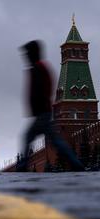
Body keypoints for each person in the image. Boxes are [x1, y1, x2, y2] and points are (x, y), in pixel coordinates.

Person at [18, 40, 84, 171]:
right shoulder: (39, 67)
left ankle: (22, 167)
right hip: (43, 111)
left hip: (42, 112)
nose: (25, 56)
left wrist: (40, 104)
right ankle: (76, 163)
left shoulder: (39, 67)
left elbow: (43, 88)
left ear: (33, 53)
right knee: (56, 141)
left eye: (27, 53)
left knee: (29, 137)